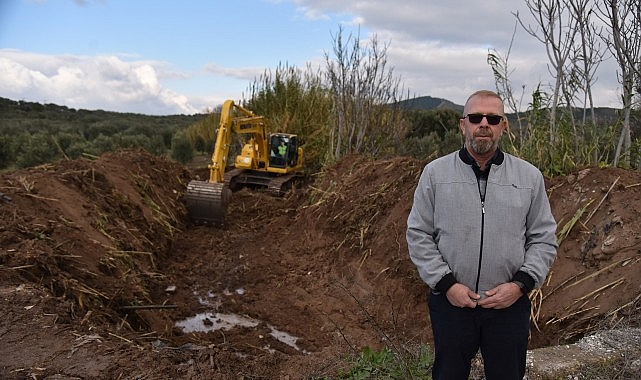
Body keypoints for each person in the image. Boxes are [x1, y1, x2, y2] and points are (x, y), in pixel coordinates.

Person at [406, 90, 558, 380]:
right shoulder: (435, 174)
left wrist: (520, 286)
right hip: (451, 304)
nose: (484, 123)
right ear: (463, 125)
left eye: (493, 118)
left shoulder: (529, 177)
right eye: (476, 117)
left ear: (504, 125)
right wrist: (447, 284)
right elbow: (418, 233)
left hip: (509, 306)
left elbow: (543, 238)